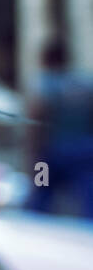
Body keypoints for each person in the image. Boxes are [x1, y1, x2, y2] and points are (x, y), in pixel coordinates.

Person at [26, 39, 93, 218]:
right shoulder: (85, 84)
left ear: (45, 60)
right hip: (85, 152)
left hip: (50, 154)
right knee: (89, 197)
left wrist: (33, 157)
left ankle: (33, 229)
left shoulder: (45, 84)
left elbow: (36, 124)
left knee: (40, 193)